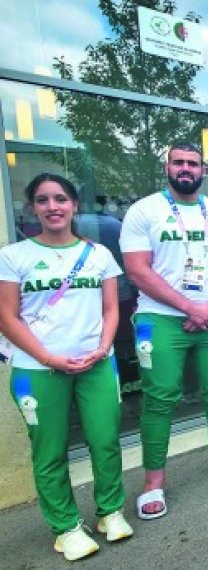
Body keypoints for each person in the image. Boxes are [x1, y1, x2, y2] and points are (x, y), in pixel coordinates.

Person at [120, 141, 208, 522]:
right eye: (178, 162)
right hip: (161, 317)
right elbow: (137, 270)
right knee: (160, 399)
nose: (185, 168)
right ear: (167, 167)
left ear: (202, 170)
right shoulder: (143, 211)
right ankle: (153, 483)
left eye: (192, 163)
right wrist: (188, 307)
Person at [0, 174, 132, 561]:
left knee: (105, 440)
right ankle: (66, 528)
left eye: (61, 198)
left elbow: (112, 309)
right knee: (50, 451)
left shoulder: (99, 254)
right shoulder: (13, 256)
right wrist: (48, 357)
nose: (53, 206)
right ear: (32, 208)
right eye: (43, 200)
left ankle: (110, 512)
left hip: (96, 363)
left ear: (75, 205)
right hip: (38, 369)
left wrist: (104, 347)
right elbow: (7, 317)